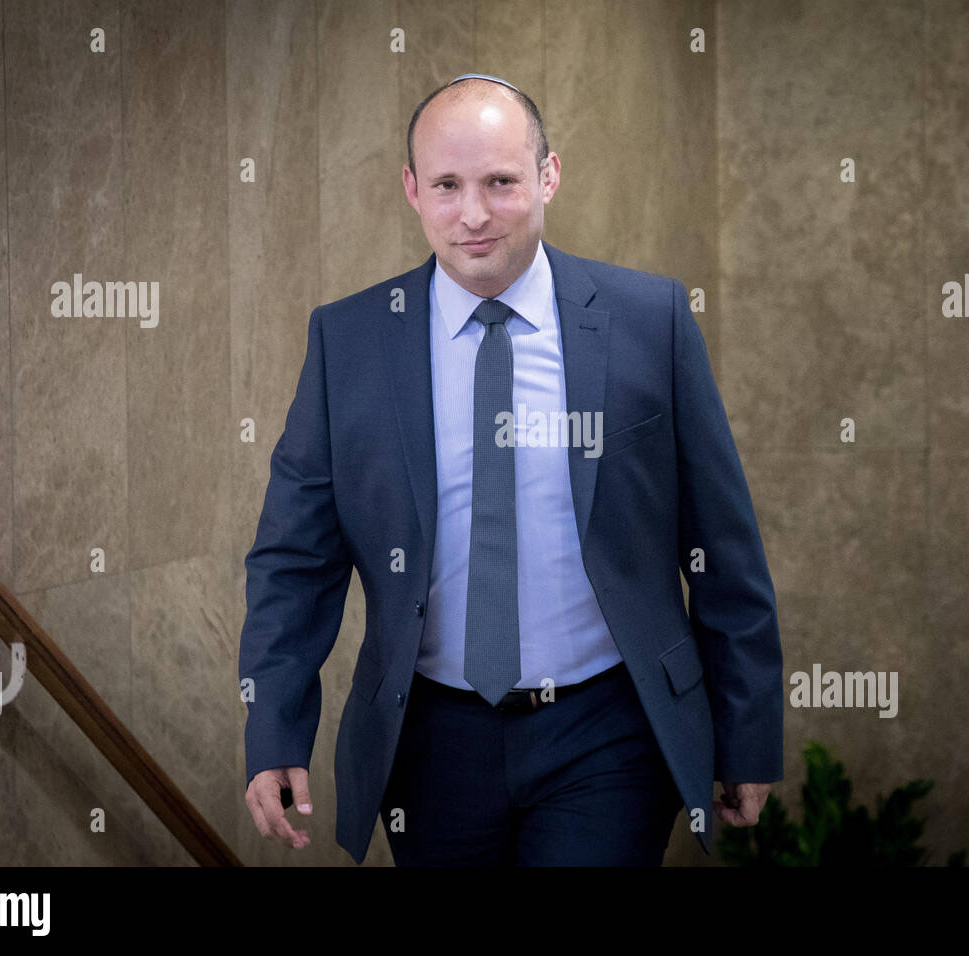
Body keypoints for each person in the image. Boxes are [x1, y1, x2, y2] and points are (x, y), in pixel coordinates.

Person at [240, 73, 784, 866]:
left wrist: (746, 732)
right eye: (447, 185)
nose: (473, 214)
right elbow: (294, 558)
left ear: (548, 177)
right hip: (429, 743)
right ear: (411, 190)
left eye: (501, 182)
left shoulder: (648, 320)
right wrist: (274, 725)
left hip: (608, 732)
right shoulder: (350, 341)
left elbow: (724, 544)